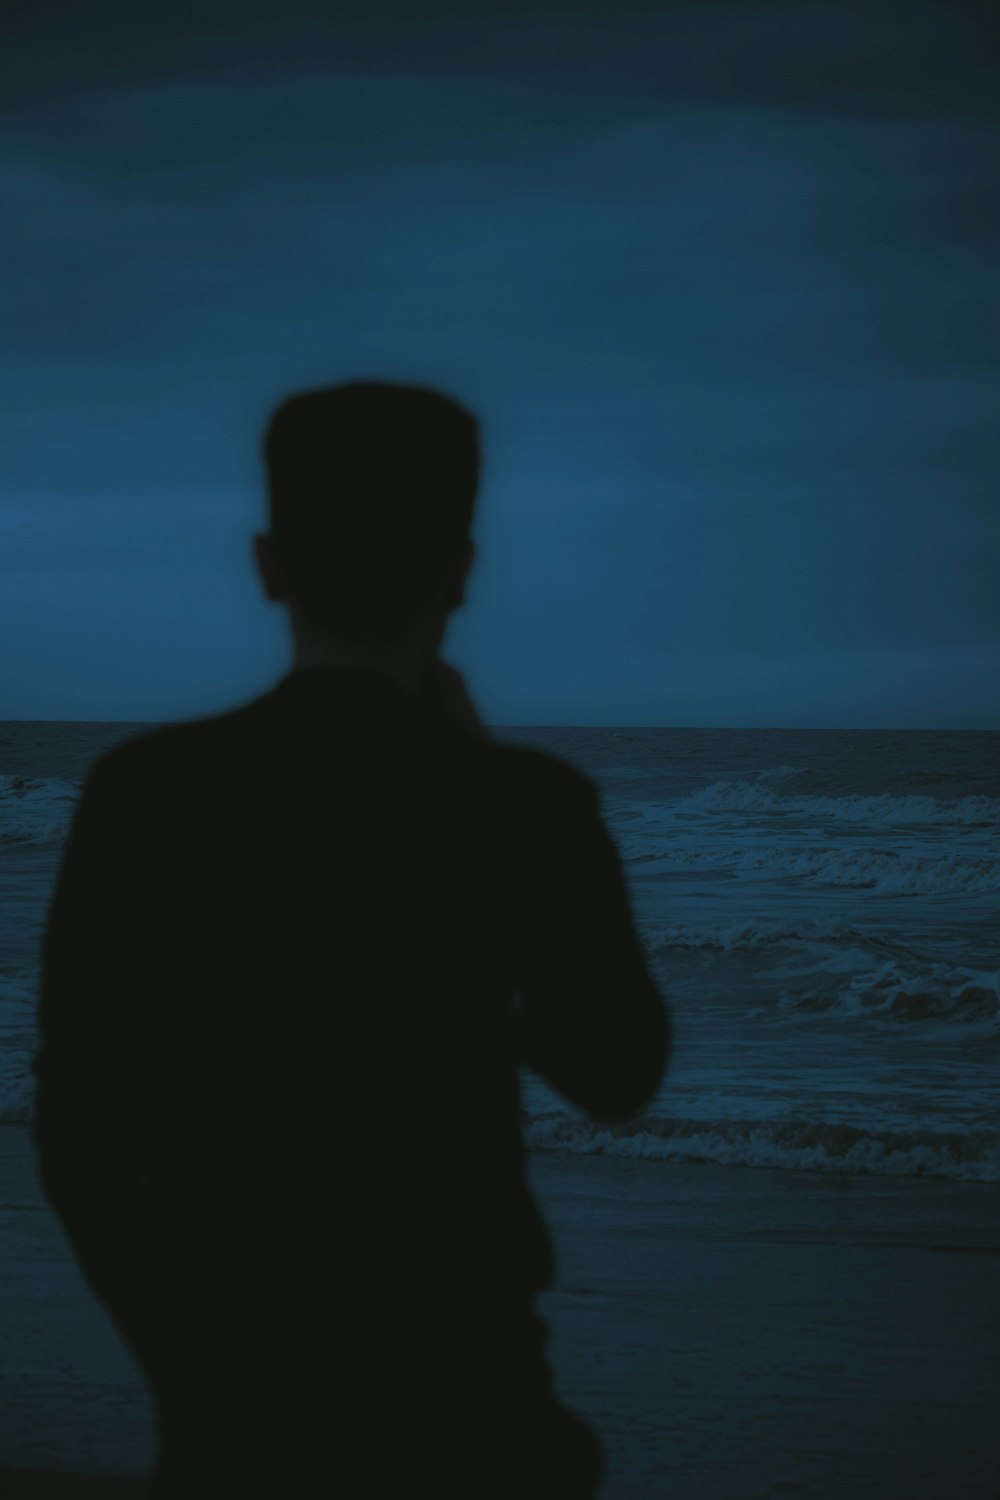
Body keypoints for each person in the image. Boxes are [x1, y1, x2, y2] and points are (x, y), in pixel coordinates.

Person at [34, 380, 670, 1495]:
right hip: (475, 1403)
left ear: (269, 563)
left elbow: (80, 1130)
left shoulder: (144, 794)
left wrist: (190, 1370)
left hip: (234, 1403)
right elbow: (615, 1070)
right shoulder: (527, 806)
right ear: (461, 572)